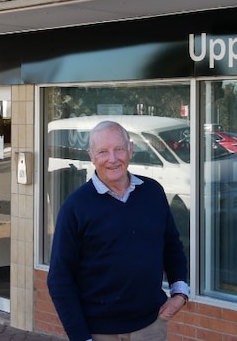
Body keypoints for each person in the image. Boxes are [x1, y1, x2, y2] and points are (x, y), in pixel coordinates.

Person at [48, 120, 190, 341]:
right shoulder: (76, 206)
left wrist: (180, 293)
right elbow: (59, 279)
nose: (112, 159)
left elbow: (172, 246)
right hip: (100, 333)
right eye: (103, 151)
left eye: (119, 149)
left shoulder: (152, 192)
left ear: (130, 150)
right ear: (91, 156)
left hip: (151, 326)